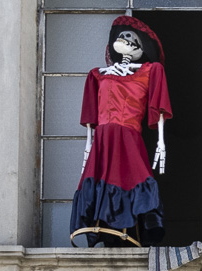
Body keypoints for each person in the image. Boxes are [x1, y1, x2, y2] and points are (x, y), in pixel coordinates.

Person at [70, 15, 172, 247]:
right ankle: (105, 229)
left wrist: (161, 143)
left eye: (130, 37)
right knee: (101, 180)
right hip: (103, 138)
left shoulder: (150, 71)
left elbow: (159, 107)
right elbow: (91, 119)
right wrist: (88, 149)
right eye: (122, 35)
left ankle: (136, 229)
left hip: (128, 136)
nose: (123, 38)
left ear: (140, 47)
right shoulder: (97, 75)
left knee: (132, 178)